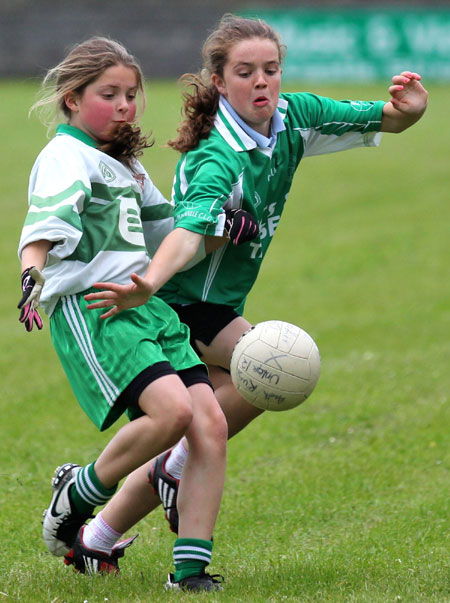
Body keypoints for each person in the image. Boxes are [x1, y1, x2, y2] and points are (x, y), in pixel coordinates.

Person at [49, 13, 428, 571]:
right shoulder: (214, 154)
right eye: (245, 72)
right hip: (178, 303)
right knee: (274, 367)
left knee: (236, 406)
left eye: (270, 70)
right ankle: (176, 505)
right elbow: (187, 232)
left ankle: (100, 537)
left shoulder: (296, 115)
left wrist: (409, 111)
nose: (261, 82)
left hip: (221, 306)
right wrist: (150, 282)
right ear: (220, 83)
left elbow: (388, 118)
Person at [17, 36, 233, 592]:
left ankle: (189, 572)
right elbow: (44, 225)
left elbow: (171, 235)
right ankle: (79, 492)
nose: (124, 106)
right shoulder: (66, 156)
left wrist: (226, 225)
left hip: (146, 306)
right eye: (108, 94)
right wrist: (30, 272)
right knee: (170, 415)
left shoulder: (126, 164)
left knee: (208, 424)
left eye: (132, 95)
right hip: (97, 309)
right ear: (70, 98)